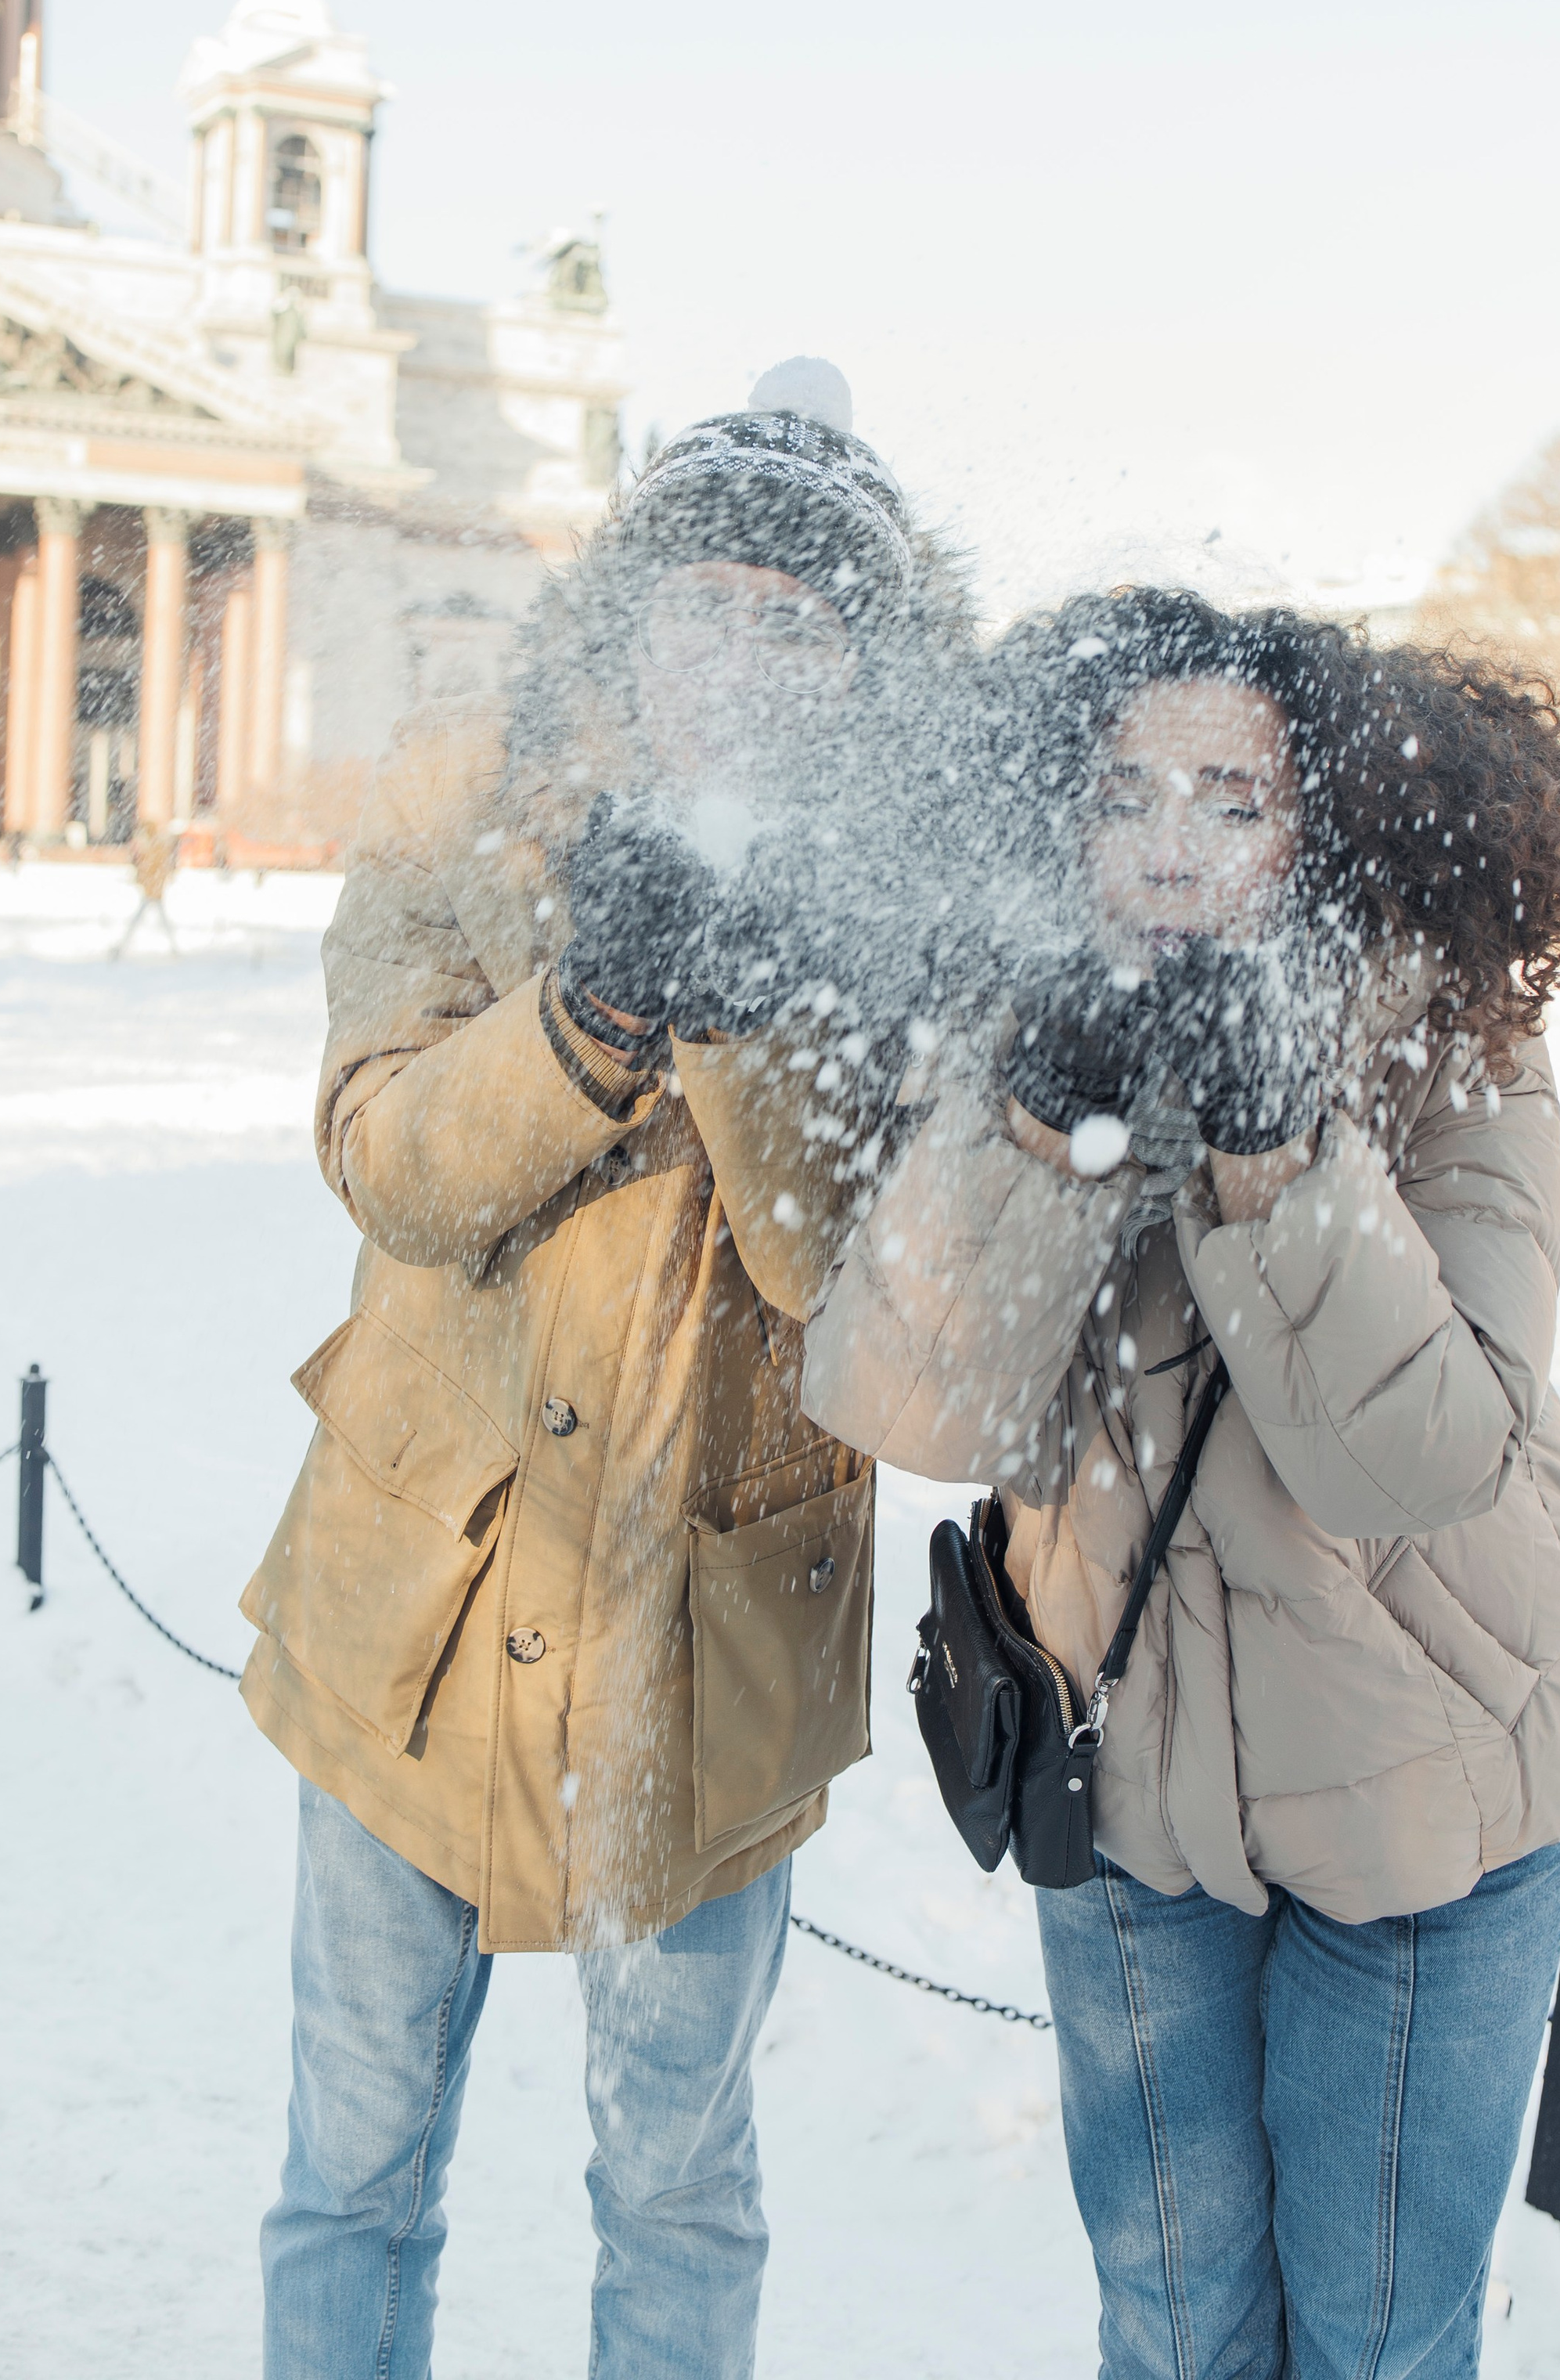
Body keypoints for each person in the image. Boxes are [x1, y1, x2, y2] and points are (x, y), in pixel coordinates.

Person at [802, 584, 1560, 2380]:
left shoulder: (1447, 1028)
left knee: (1372, 2345)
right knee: (1169, 2331)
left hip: (1431, 1793)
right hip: (1127, 1807)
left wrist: (1275, 1155)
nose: (1172, 843)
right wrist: (1034, 1133)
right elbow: (901, 1396)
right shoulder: (1004, 1005)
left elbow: (1419, 1454)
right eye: (1124, 795)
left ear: (1317, 818)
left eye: (1233, 801)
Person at [240, 362, 960, 2380]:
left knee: (674, 2193)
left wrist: (736, 1020)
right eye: (705, 601)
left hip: (703, 1665)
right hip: (421, 1607)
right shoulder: (461, 789)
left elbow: (862, 1292)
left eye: (794, 620)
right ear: (632, 607)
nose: (739, 651)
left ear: (857, 660)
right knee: (354, 2169)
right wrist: (587, 1012)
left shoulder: (909, 893)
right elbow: (383, 1165)